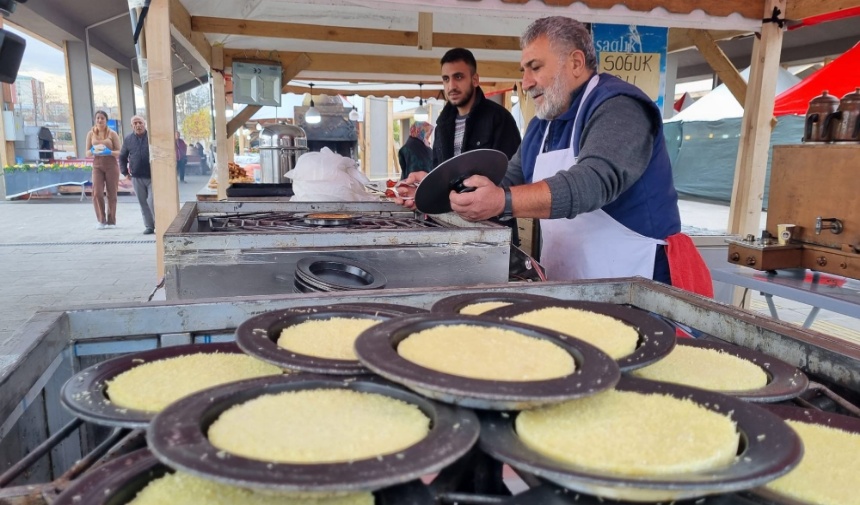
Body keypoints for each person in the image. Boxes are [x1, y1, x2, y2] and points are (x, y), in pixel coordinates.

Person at [398, 17, 709, 293]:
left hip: (637, 284)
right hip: (570, 283)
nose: (527, 82)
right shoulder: (541, 126)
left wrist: (503, 201)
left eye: (536, 68)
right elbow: (504, 179)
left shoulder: (619, 107)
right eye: (524, 71)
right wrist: (436, 185)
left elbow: (592, 182)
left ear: (575, 63)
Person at [432, 47, 521, 167]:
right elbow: (436, 171)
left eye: (458, 77)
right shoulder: (441, 126)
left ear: (475, 80)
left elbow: (512, 173)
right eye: (446, 79)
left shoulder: (499, 118)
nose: (451, 86)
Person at [85, 110, 122, 230]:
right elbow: (87, 153)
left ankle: (111, 221)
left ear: (106, 120)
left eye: (102, 118)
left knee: (112, 193)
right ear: (95, 120)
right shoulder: (91, 134)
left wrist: (110, 152)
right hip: (97, 165)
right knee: (97, 193)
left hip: (111, 164)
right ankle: (101, 220)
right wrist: (92, 151)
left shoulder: (112, 134)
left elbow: (119, 152)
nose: (100, 120)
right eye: (98, 118)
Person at [119, 115, 156, 235]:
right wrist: (125, 172)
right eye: (135, 123)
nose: (138, 125)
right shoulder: (128, 139)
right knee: (142, 202)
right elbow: (122, 156)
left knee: (152, 201)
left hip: (152, 176)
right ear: (132, 126)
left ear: (144, 124)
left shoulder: (152, 137)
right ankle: (149, 226)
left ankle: (158, 223)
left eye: (140, 122)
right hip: (136, 176)